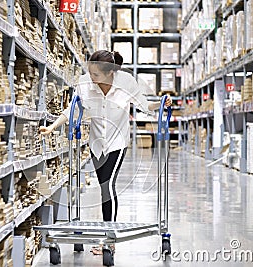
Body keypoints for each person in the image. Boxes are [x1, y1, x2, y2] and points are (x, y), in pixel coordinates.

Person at [39, 50, 172, 254]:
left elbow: (145, 106)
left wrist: (162, 103)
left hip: (118, 142)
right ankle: (100, 235)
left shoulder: (126, 82)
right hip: (96, 143)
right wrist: (52, 127)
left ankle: (109, 239)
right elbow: (72, 109)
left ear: (110, 72)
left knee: (107, 184)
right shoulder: (85, 83)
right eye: (90, 72)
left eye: (96, 75)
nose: (92, 78)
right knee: (104, 189)